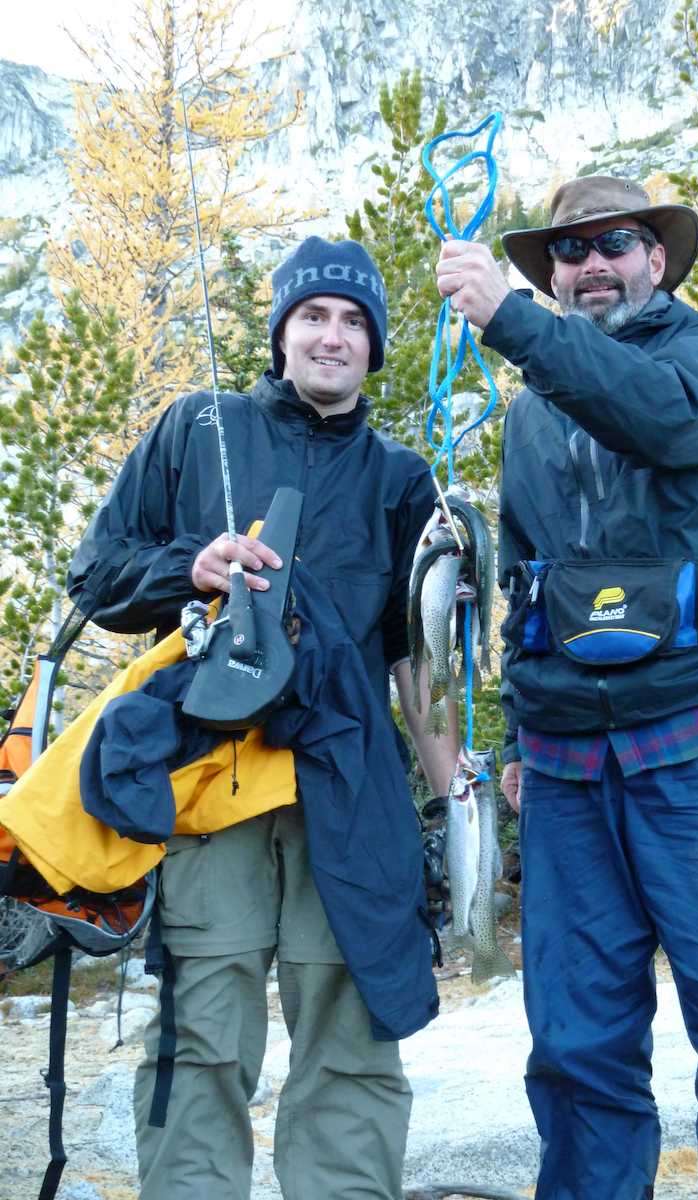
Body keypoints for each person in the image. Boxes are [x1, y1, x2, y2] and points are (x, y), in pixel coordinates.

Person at [436, 176, 698, 1200]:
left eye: (613, 243)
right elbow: (525, 592)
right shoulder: (531, 422)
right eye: (567, 254)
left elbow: (652, 419)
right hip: (571, 768)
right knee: (576, 1046)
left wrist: (511, 317)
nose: (590, 267)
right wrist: (523, 746)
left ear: (656, 260)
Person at [68, 235, 457, 1200]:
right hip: (212, 786)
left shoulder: (406, 480)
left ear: (375, 348)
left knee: (353, 1031)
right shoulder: (195, 427)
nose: (333, 338)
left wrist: (457, 795)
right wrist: (186, 568)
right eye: (314, 316)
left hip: (349, 788)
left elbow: (423, 660)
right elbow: (94, 576)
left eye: (355, 322)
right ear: (281, 332)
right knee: (201, 1033)